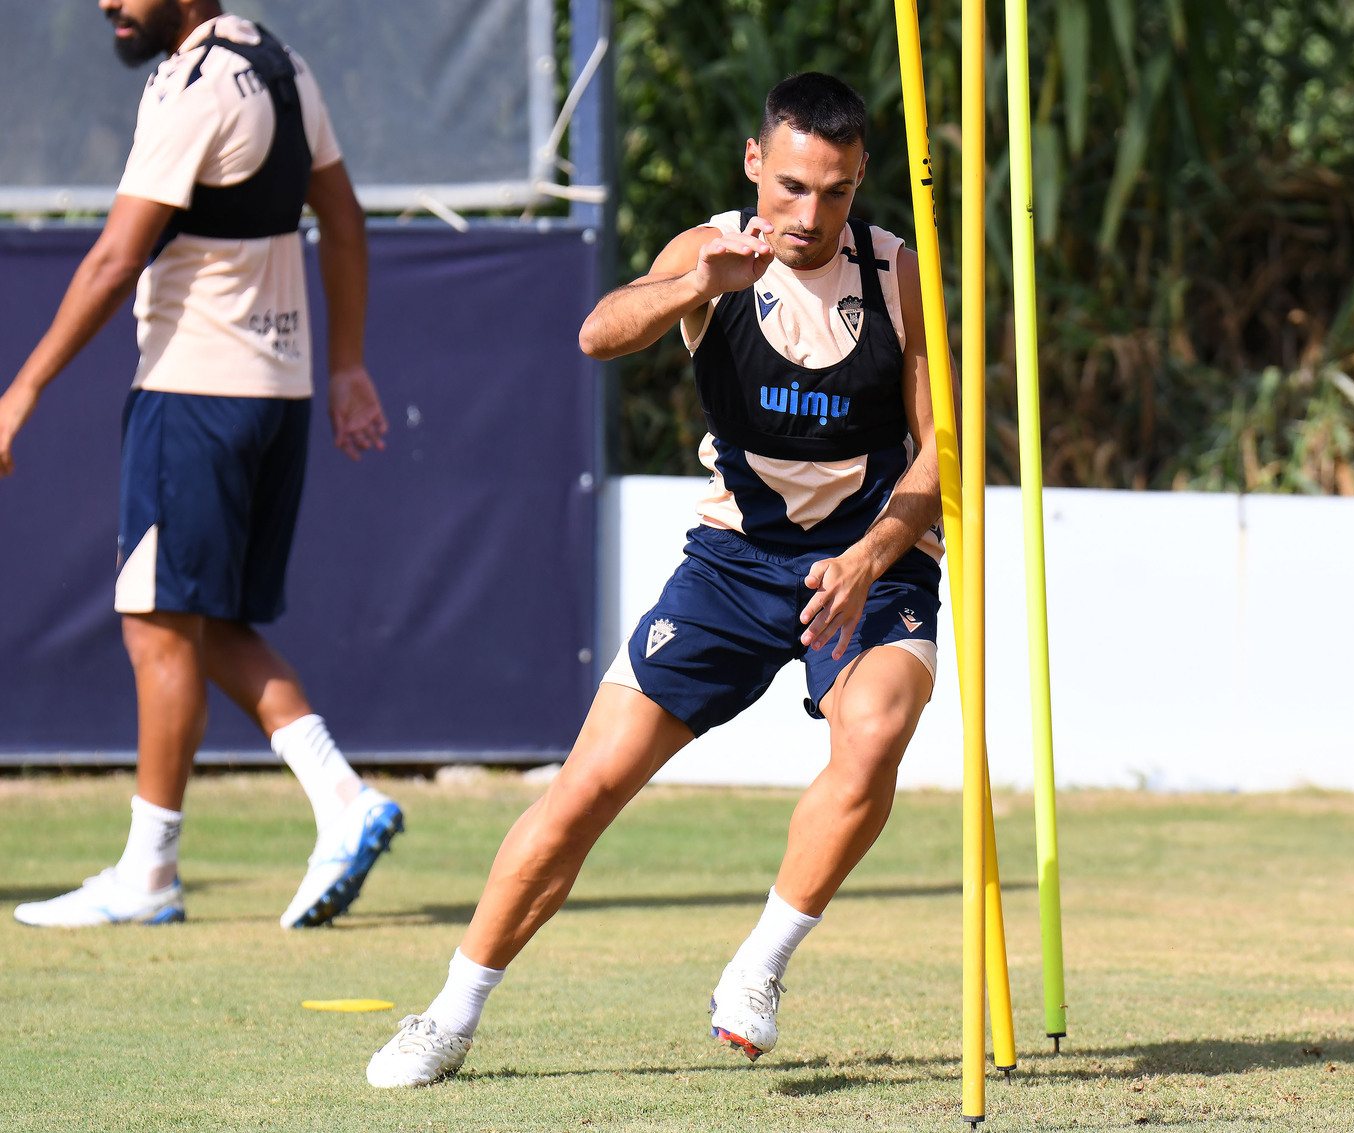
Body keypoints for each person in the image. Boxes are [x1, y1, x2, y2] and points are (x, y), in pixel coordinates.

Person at [365, 72, 944, 1087]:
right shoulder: (708, 249)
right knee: (585, 788)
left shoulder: (898, 272)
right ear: (755, 163)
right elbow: (598, 332)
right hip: (731, 563)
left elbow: (944, 453)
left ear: (859, 181)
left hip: (869, 560)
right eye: (792, 186)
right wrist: (696, 286)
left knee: (876, 733)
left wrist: (867, 559)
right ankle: (448, 1014)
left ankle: (758, 965)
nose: (810, 215)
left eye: (837, 191)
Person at [0, 0, 402, 930]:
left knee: (156, 621)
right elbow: (343, 221)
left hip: (193, 390)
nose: (108, 3)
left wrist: (21, 390)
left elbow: (115, 258)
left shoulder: (191, 85)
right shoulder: (285, 66)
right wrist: (346, 363)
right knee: (203, 621)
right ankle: (341, 797)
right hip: (277, 391)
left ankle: (151, 873)